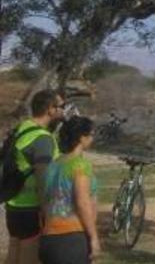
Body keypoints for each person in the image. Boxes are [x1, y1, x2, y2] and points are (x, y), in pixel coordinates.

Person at [4, 89, 63, 264]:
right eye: (60, 106)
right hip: (31, 208)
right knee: (29, 256)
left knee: (14, 252)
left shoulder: (23, 128)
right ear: (50, 109)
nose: (62, 110)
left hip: (13, 204)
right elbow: (43, 179)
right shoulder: (43, 138)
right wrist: (47, 213)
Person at [38, 116, 99, 264]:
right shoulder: (80, 165)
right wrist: (93, 237)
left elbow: (44, 202)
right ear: (81, 138)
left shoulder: (53, 165)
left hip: (48, 238)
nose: (92, 138)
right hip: (72, 237)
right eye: (91, 134)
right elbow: (82, 203)